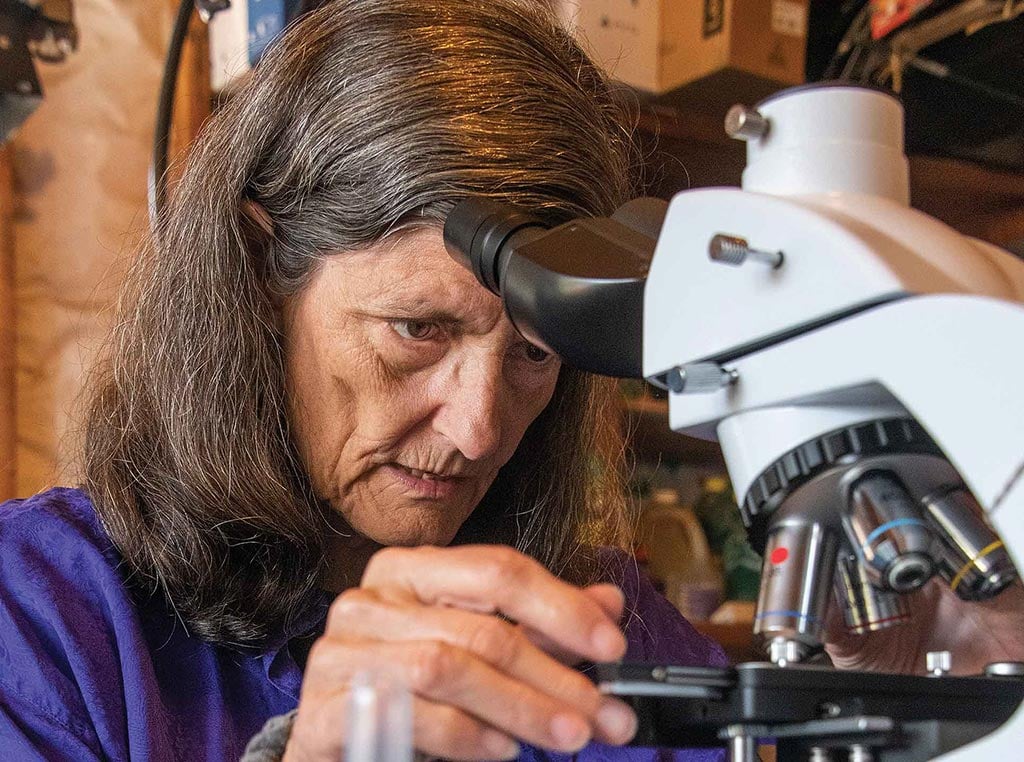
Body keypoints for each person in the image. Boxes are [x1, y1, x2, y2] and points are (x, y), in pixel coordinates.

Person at [1, 2, 1021, 762]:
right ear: (258, 277)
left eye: (532, 354)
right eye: (416, 329)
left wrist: (955, 717)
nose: (481, 425)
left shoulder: (606, 622)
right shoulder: (44, 619)